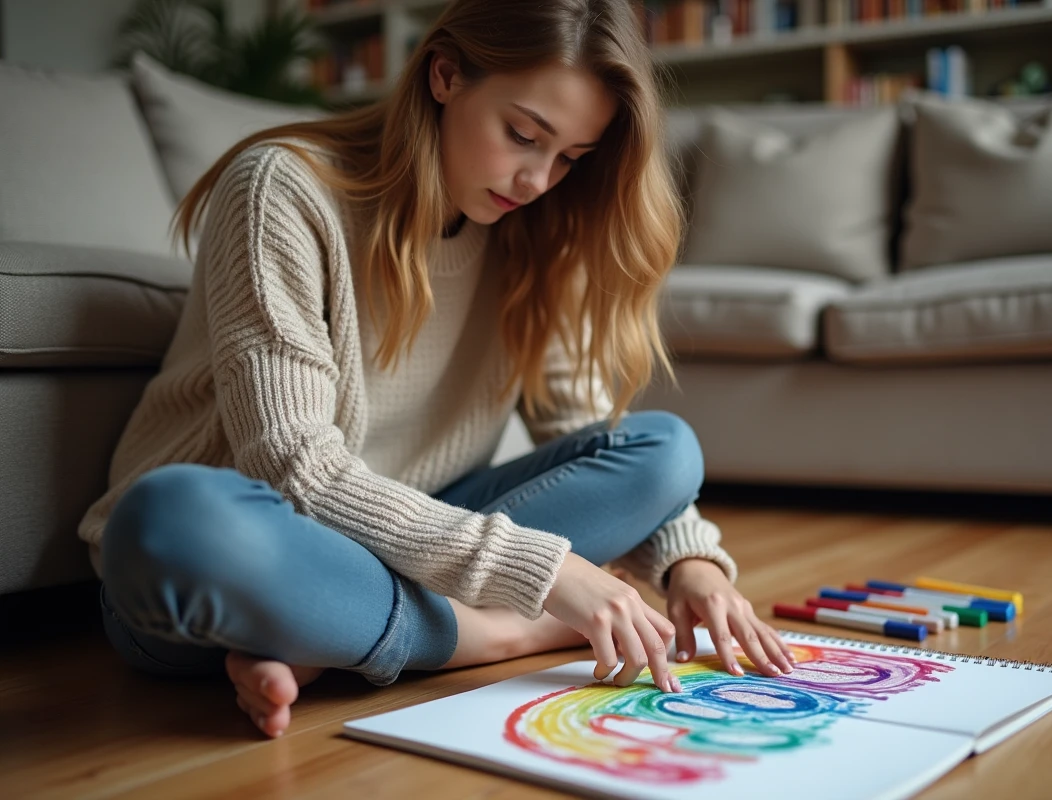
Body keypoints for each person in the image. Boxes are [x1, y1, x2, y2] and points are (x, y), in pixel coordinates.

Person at [77, 0, 795, 740]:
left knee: (666, 450)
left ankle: (335, 633)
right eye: (523, 135)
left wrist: (690, 565)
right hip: (263, 540)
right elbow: (293, 467)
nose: (538, 179)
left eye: (570, 158)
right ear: (445, 75)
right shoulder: (282, 190)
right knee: (166, 522)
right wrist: (551, 581)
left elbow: (586, 431)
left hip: (404, 538)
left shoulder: (534, 229)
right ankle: (488, 635)